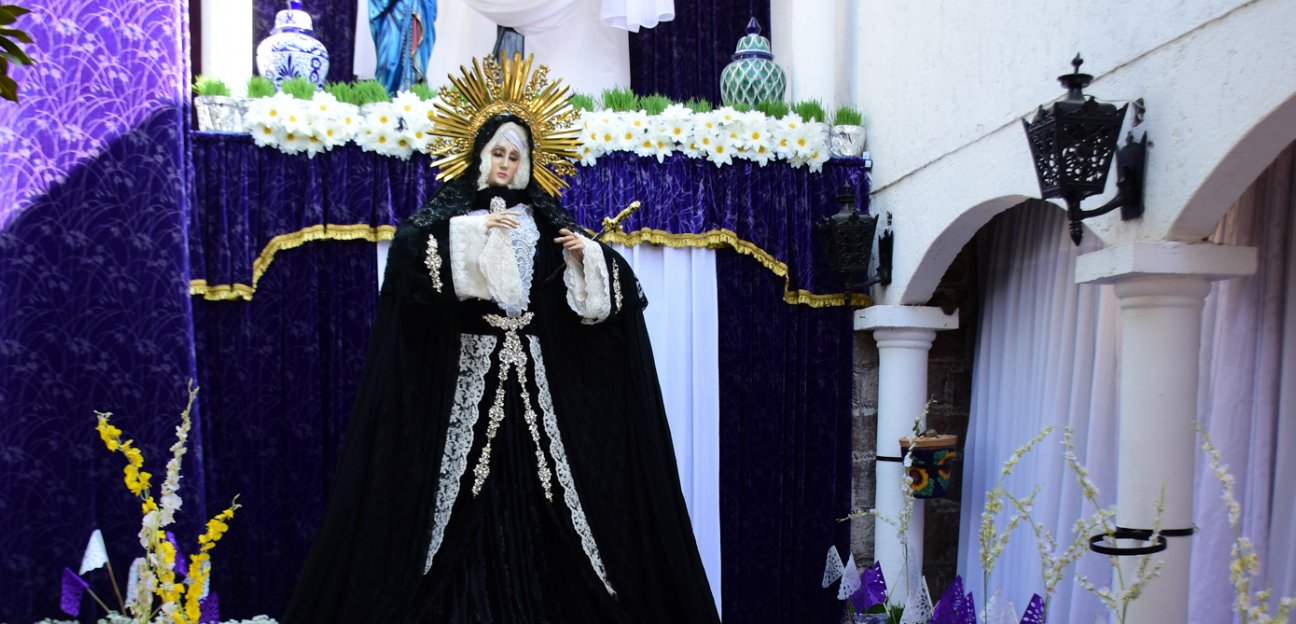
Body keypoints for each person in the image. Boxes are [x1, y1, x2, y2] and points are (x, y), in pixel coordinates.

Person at [283, 57, 720, 623]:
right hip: (470, 370)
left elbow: (599, 300)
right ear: (480, 155)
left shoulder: (545, 220)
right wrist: (471, 232)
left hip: (535, 378)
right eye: (498, 153)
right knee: (458, 500)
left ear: (528, 164)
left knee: (549, 501)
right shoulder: (450, 218)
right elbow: (413, 262)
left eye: (516, 156)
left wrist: (585, 257)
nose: (506, 164)